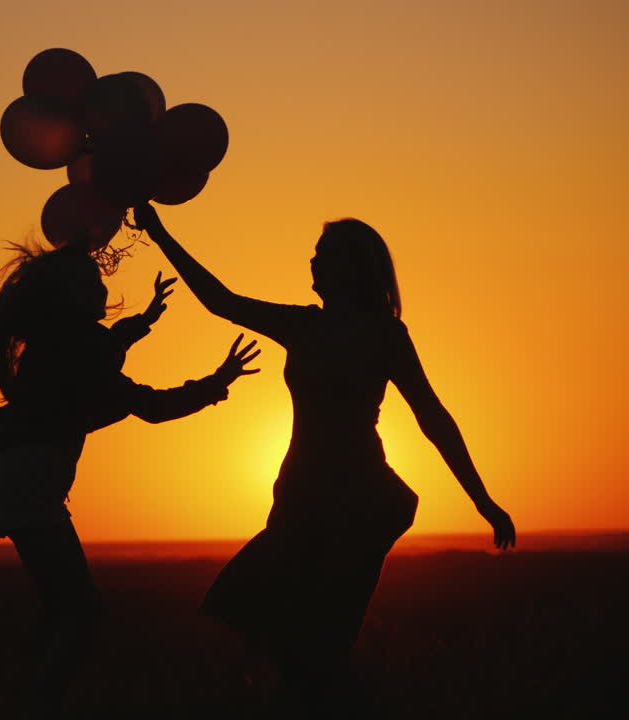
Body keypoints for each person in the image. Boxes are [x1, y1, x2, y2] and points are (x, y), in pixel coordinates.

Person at [131, 204, 516, 716]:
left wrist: (483, 500)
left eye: (322, 254)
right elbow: (220, 301)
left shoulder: (385, 336)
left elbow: (433, 418)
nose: (311, 263)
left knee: (315, 650)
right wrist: (158, 232)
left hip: (359, 504)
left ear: (353, 268)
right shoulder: (302, 325)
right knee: (239, 614)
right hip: (300, 500)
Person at [0, 241, 260, 719]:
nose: (103, 288)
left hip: (17, 479)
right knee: (80, 615)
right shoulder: (79, 348)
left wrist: (146, 321)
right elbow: (152, 406)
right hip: (32, 485)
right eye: (92, 282)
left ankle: (28, 692)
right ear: (69, 296)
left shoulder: (57, 343)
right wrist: (216, 382)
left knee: (63, 610)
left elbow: (106, 347)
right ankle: (39, 703)